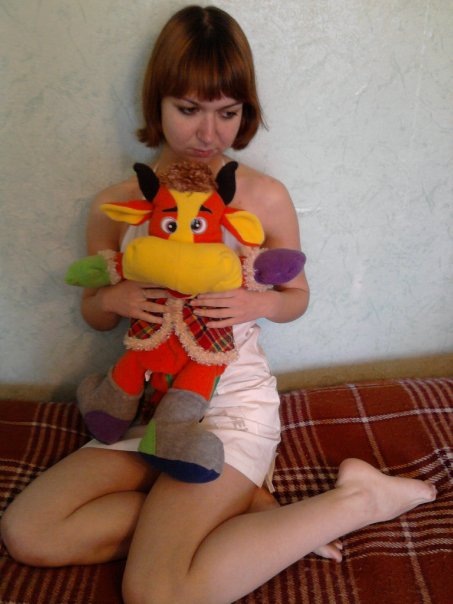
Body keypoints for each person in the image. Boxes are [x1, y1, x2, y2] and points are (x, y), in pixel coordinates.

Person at [1, 5, 436, 604]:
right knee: (28, 532)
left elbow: (297, 298)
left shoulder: (263, 196)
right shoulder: (117, 204)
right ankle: (237, 510)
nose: (208, 134)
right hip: (149, 408)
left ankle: (357, 499)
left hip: (230, 408)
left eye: (227, 113)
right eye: (188, 110)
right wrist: (115, 297)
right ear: (156, 103)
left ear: (244, 112)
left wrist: (256, 304)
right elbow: (92, 314)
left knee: (156, 592)